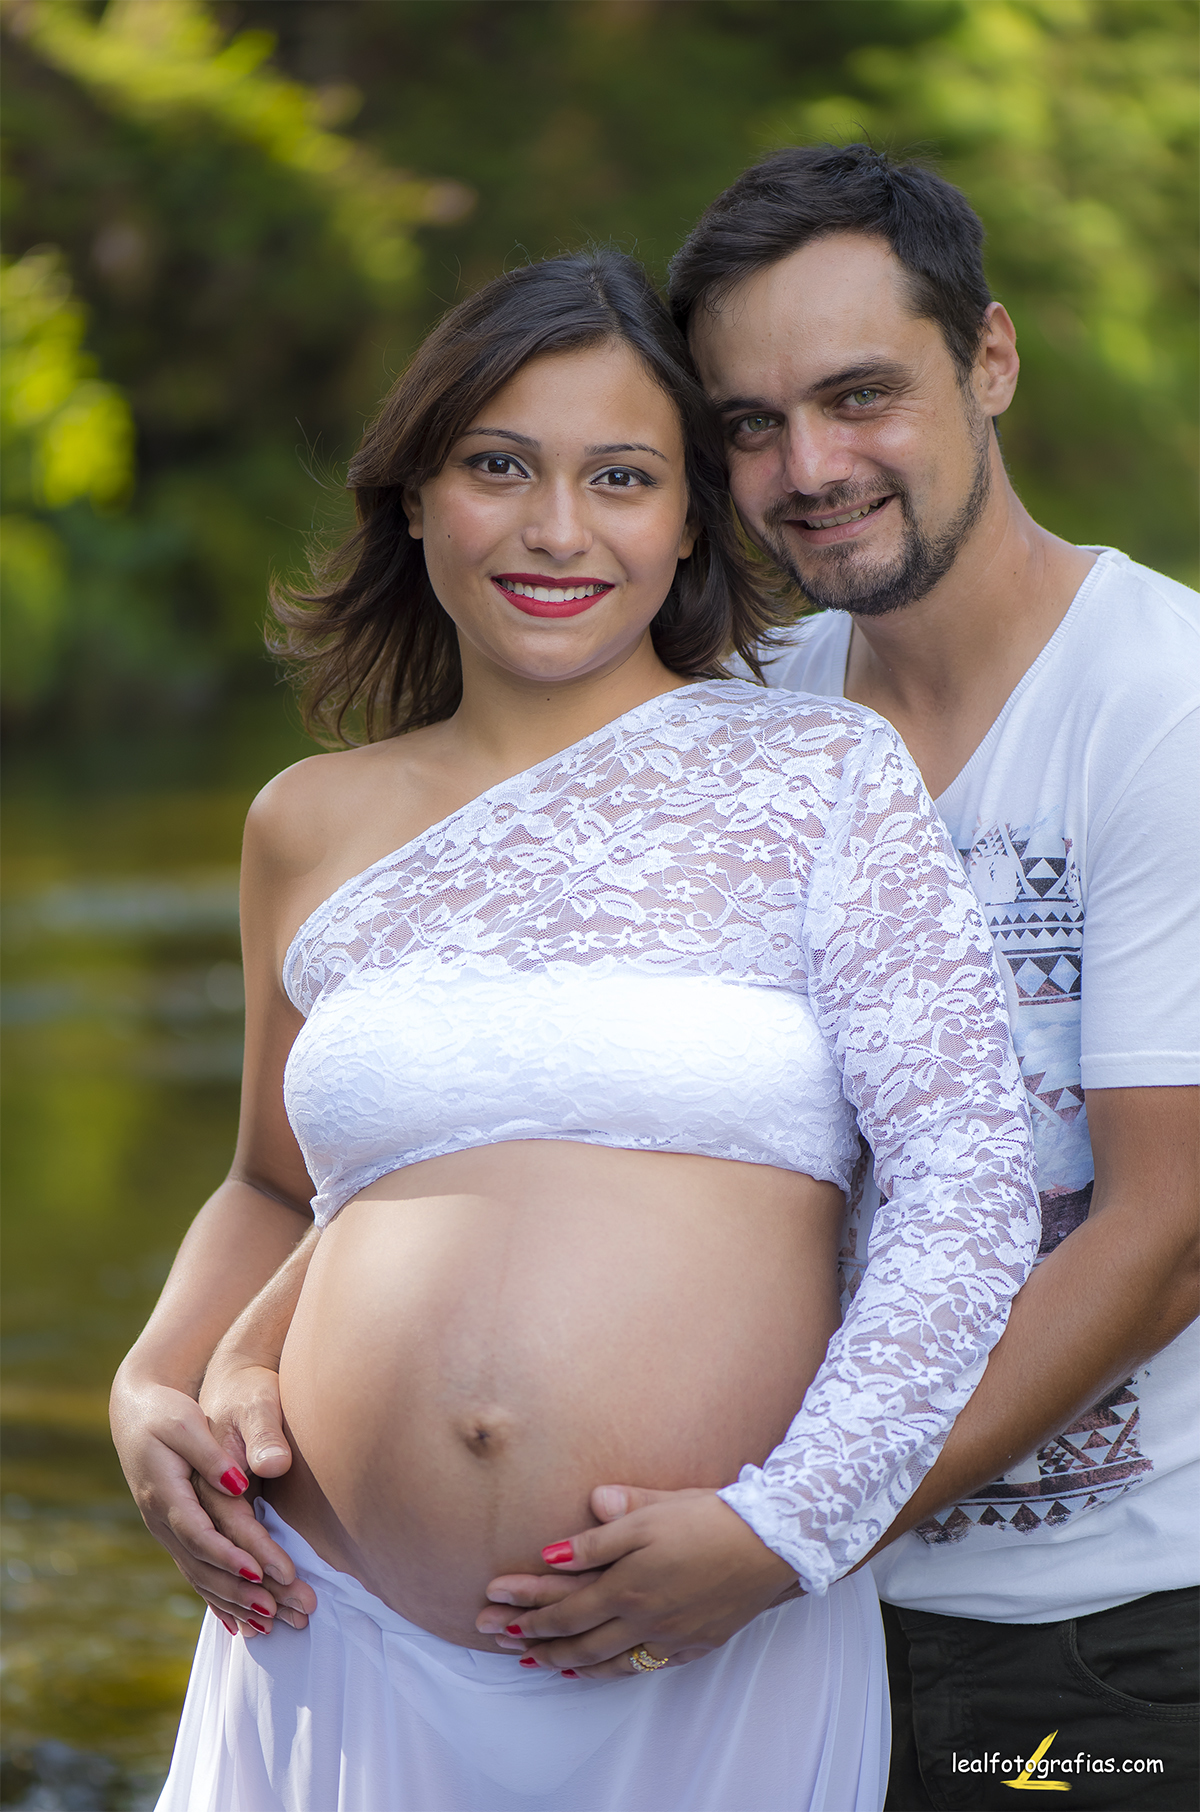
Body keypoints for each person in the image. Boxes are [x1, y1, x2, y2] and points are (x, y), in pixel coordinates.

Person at [109, 248, 1040, 1812]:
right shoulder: (304, 822)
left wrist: (787, 1530)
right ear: (416, 495)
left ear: (688, 521)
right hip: (327, 1643)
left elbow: (966, 1189)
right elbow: (273, 1185)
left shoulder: (824, 775)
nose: (557, 530)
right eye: (498, 467)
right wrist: (150, 1380)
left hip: (709, 1647)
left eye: (622, 476)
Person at [466, 149, 1199, 1810]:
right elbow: (508, 1102)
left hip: (1087, 1637)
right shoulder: (745, 719)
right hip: (760, 1637)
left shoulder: (1164, 706)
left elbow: (1168, 1233)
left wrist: (792, 1526)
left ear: (991, 360)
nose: (810, 468)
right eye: (748, 422)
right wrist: (207, 1369)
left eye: (862, 395)